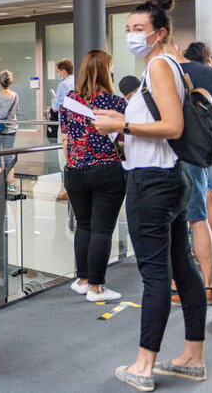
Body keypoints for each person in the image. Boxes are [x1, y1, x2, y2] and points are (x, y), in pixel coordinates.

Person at [93, 0, 207, 391]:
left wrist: (120, 127)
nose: (131, 36)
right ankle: (193, 356)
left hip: (153, 183)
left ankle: (144, 366)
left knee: (156, 275)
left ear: (159, 33)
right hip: (169, 179)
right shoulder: (165, 66)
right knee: (181, 267)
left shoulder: (158, 65)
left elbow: (172, 127)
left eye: (139, 29)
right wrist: (122, 119)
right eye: (127, 30)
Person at [61, 50, 127, 303]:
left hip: (75, 171)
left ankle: (83, 280)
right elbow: (124, 137)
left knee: (84, 225)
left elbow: (66, 138)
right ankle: (96, 288)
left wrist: (72, 164)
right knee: (102, 230)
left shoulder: (69, 100)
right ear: (105, 71)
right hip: (107, 171)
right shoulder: (117, 103)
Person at [176, 42, 212, 306]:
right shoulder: (211, 75)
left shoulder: (167, 71)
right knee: (209, 199)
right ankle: (211, 273)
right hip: (206, 148)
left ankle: (178, 286)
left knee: (182, 219)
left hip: (178, 151)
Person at [51, 59, 75, 201]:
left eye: (59, 72)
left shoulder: (63, 85)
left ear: (63, 71)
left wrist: (54, 103)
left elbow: (55, 106)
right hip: (78, 125)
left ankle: (65, 188)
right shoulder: (78, 81)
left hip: (65, 125)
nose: (58, 74)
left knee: (63, 158)